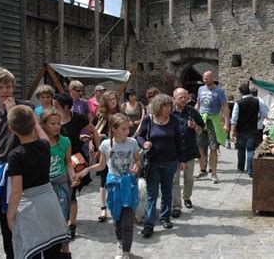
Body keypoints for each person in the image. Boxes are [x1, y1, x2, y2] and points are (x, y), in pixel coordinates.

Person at [0, 67, 35, 258]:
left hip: (24, 169)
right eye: (0, 86)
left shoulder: (25, 107)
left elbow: (34, 137)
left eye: (8, 86)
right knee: (7, 222)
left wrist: (13, 112)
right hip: (1, 172)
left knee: (27, 218)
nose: (5, 90)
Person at [6, 105, 70, 258]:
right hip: (49, 200)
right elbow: (45, 138)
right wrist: (33, 119)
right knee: (53, 247)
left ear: (11, 129)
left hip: (30, 205)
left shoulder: (15, 155)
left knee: (33, 248)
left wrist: (9, 215)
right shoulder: (44, 146)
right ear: (34, 125)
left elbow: (16, 190)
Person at [77, 113, 140, 259]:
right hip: (113, 186)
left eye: (127, 128)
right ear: (114, 129)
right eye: (123, 129)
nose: (127, 131)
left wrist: (137, 166)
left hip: (128, 184)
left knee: (128, 221)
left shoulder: (132, 143)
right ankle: (119, 244)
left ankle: (126, 251)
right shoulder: (106, 144)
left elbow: (137, 160)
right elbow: (101, 165)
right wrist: (87, 169)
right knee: (117, 219)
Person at [136, 94, 185, 238]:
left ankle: (165, 218)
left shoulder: (174, 120)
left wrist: (182, 160)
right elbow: (139, 136)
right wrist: (144, 143)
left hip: (170, 162)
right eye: (165, 106)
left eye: (170, 106)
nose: (169, 109)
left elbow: (178, 140)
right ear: (158, 106)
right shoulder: (149, 120)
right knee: (151, 194)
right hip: (153, 163)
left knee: (167, 192)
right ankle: (149, 225)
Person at [53, 93, 101, 239]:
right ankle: (60, 221)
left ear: (66, 107)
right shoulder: (52, 121)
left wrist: (98, 149)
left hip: (74, 160)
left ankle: (71, 225)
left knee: (71, 193)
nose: (53, 109)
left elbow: (93, 131)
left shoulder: (77, 118)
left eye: (56, 106)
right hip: (56, 160)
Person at [40, 109, 80, 258]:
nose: (56, 126)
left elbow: (68, 162)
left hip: (62, 183)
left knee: (63, 218)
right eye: (52, 123)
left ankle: (65, 249)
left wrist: (73, 176)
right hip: (45, 186)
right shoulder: (39, 143)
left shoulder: (65, 141)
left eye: (58, 123)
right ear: (43, 125)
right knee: (47, 220)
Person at [171, 88, 204, 218]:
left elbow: (201, 130)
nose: (184, 99)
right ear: (174, 98)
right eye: (181, 97)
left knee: (189, 178)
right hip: (174, 152)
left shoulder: (193, 112)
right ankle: (176, 205)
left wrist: (195, 127)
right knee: (175, 180)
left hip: (189, 150)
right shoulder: (169, 112)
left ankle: (187, 197)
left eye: (186, 97)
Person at [195, 71, 230, 184]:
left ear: (212, 78)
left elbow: (225, 107)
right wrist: (194, 115)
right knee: (200, 146)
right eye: (204, 78)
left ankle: (214, 173)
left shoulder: (219, 90)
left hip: (213, 121)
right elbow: (198, 104)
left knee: (213, 148)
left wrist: (226, 123)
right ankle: (202, 169)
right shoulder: (200, 89)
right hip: (201, 120)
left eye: (207, 78)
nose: (205, 80)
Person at [94, 91, 121, 223]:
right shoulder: (101, 116)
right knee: (104, 178)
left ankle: (119, 204)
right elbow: (94, 131)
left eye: (114, 99)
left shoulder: (121, 115)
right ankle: (103, 208)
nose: (113, 101)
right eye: (110, 99)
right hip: (105, 150)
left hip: (119, 150)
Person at [231, 84, 268, 178]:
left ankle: (240, 167)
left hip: (241, 129)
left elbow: (234, 118)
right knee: (251, 150)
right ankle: (250, 170)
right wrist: (258, 119)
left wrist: (232, 131)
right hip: (253, 128)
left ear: (241, 92)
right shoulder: (257, 101)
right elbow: (264, 114)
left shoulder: (238, 103)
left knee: (241, 149)